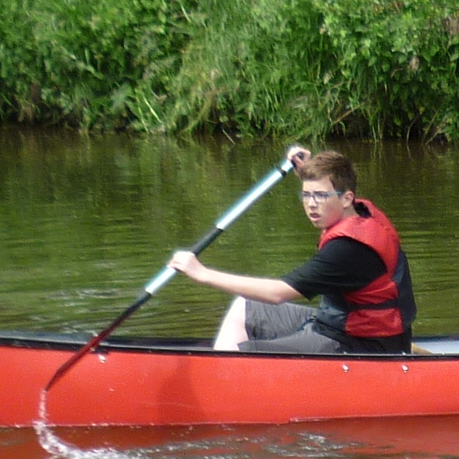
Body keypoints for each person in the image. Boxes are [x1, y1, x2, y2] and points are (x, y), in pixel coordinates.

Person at [169, 147, 415, 354]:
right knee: (244, 307)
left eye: (319, 196)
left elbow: (277, 293)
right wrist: (308, 172)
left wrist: (203, 274)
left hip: (359, 345)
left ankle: (227, 390)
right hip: (338, 325)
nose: (311, 204)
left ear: (346, 198)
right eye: (306, 195)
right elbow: (332, 187)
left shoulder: (346, 250)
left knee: (243, 353)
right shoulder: (362, 211)